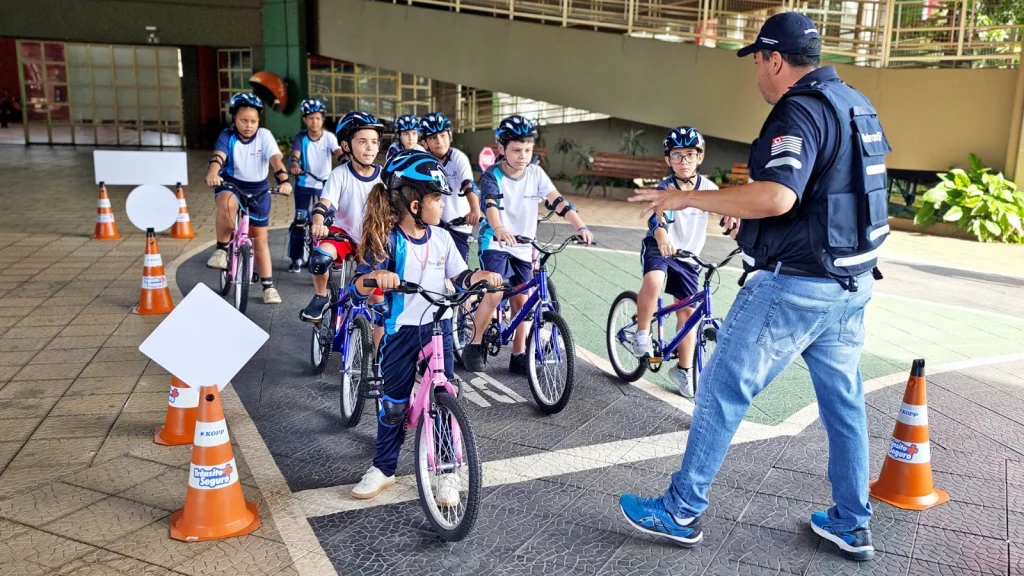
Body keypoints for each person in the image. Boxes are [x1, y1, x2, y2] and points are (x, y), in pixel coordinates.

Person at [619, 12, 892, 562]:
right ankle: (851, 520)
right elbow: (828, 191)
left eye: (759, 63)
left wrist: (684, 198)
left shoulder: (799, 110)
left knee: (721, 388)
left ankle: (681, 509)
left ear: (774, 59)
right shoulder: (855, 103)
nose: (757, 76)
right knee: (844, 404)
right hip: (852, 285)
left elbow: (778, 196)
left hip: (796, 287)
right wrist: (756, 219)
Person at [348, 150, 503, 500]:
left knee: (445, 395)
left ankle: (446, 472)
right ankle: (384, 467)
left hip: (440, 328)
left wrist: (480, 276)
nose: (442, 207)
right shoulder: (388, 240)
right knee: (394, 404)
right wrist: (377, 276)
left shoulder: (443, 238)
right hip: (401, 331)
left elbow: (459, 275)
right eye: (436, 199)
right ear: (413, 203)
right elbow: (358, 285)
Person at [460, 115, 593, 374]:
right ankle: (474, 344)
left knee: (523, 299)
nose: (523, 156)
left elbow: (557, 200)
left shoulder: (535, 173)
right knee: (495, 289)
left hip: (523, 245)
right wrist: (498, 228)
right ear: (502, 149)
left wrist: (580, 226)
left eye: (528, 150)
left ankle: (519, 354)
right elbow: (491, 206)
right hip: (495, 243)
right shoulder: (492, 176)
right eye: (517, 150)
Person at [633, 126, 719, 398]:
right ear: (669, 160)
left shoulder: (708, 188)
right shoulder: (666, 187)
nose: (685, 161)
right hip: (661, 247)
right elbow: (658, 218)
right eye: (678, 156)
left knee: (688, 313)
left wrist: (735, 224)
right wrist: (661, 236)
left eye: (691, 155)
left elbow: (727, 211)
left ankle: (683, 369)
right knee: (654, 280)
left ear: (700, 157)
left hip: (688, 257)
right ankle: (642, 333)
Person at [205, 92, 292, 305]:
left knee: (259, 240)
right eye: (244, 120)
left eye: (253, 121)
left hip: (259, 188)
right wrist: (213, 173)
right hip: (231, 184)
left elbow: (276, 160)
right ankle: (222, 250)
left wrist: (283, 180)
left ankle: (268, 286)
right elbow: (218, 156)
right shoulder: (227, 136)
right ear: (234, 118)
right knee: (227, 203)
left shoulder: (264, 136)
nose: (249, 125)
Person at [299, 111, 384, 323]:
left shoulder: (385, 176)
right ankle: (320, 297)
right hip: (342, 234)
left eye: (374, 142)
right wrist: (318, 222)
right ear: (346, 146)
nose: (370, 147)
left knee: (381, 305)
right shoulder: (340, 174)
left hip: (372, 240)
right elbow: (325, 203)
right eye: (362, 141)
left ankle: (379, 348)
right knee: (319, 260)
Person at [286, 98, 344, 273]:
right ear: (305, 119)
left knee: (328, 220)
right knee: (299, 221)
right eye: (310, 118)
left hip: (324, 185)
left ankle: (330, 255)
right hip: (304, 184)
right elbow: (295, 155)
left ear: (322, 120)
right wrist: (295, 165)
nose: (314, 121)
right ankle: (296, 258)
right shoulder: (301, 137)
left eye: (318, 118)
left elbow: (338, 151)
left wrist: (345, 160)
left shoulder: (329, 137)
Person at [418, 112, 483, 262]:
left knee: (458, 273)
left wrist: (474, 210)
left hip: (459, 225)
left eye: (443, 135)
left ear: (450, 135)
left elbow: (468, 185)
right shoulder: (423, 161)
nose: (439, 141)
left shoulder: (458, 158)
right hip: (433, 225)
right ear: (425, 143)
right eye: (433, 138)